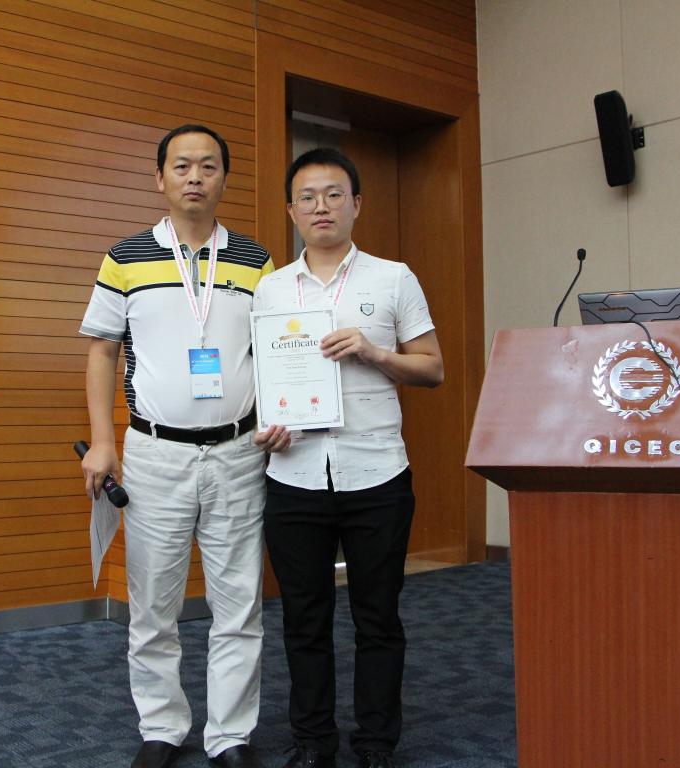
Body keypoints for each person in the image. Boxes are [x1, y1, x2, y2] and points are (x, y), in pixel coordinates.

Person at [80, 125, 282, 768]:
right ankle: (162, 728)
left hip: (238, 454)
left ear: (224, 178)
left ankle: (230, 736)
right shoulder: (125, 257)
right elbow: (102, 351)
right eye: (182, 165)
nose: (195, 177)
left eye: (209, 166)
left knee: (239, 604)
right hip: (154, 454)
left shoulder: (255, 261)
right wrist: (103, 442)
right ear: (159, 177)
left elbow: (274, 351)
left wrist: (283, 417)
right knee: (153, 604)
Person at [252, 148, 444, 768]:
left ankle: (376, 744)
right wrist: (268, 426)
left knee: (377, 617)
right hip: (294, 474)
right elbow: (263, 380)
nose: (321, 207)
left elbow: (432, 368)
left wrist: (374, 352)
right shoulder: (270, 289)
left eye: (334, 194)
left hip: (377, 472)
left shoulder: (393, 278)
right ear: (291, 211)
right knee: (303, 619)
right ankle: (313, 742)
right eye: (307, 197)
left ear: (356, 204)